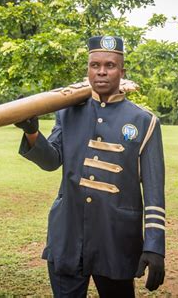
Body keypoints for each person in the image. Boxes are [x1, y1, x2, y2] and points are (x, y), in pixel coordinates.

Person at [15, 36, 166, 297]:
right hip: (67, 234)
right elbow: (51, 161)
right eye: (95, 65)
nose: (102, 71)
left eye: (109, 65)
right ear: (88, 70)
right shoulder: (67, 111)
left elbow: (154, 191)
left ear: (122, 71)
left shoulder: (144, 121)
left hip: (115, 237)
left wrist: (154, 246)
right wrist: (31, 132)